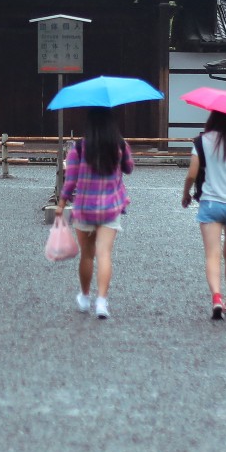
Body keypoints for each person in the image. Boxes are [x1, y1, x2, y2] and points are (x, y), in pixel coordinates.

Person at [57, 107, 133, 320]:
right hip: (110, 207)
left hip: (84, 208)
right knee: (105, 254)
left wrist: (62, 204)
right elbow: (129, 168)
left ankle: (84, 296)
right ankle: (102, 301)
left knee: (87, 255)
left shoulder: (78, 149)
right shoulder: (119, 145)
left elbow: (70, 181)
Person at [181, 110, 226, 320]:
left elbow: (191, 174)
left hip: (211, 203)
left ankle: (216, 298)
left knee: (212, 254)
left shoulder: (201, 142)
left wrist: (186, 194)